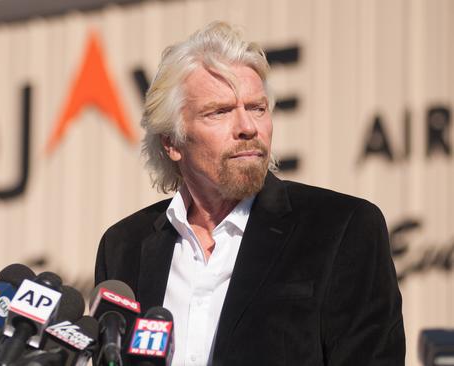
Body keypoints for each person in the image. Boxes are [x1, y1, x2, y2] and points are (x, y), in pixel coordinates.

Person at [94, 21, 405, 365]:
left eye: (257, 108)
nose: (247, 127)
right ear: (172, 142)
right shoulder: (124, 246)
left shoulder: (341, 228)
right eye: (221, 111)